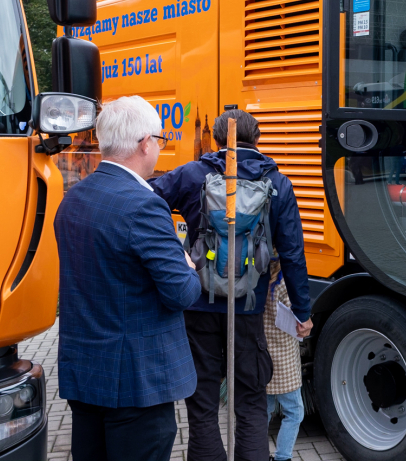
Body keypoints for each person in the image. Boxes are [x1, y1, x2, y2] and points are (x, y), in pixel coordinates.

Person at [151, 108, 312, 461]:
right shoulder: (277, 183)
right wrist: (303, 311)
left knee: (204, 401)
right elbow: (293, 253)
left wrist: (176, 252)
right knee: (251, 401)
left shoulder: (194, 174)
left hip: (198, 304)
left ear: (216, 139)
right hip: (249, 307)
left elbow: (146, 200)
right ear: (257, 139)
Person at [54, 96, 201, 461]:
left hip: (86, 376)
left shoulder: (73, 198)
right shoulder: (143, 204)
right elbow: (182, 293)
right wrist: (187, 265)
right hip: (136, 385)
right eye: (160, 140)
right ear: (144, 143)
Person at [263, 262, 305, 461]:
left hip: (263, 357)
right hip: (283, 358)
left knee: (264, 411)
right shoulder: (284, 283)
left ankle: (258, 453)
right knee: (295, 412)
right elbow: (298, 315)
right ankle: (282, 457)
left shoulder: (258, 278)